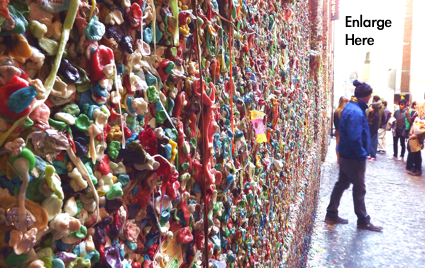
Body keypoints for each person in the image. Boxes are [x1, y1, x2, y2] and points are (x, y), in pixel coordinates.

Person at [325, 79, 383, 232]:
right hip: (353, 157)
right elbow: (354, 137)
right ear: (366, 96)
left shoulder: (351, 107)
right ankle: (363, 220)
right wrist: (362, 155)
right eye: (370, 96)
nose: (370, 98)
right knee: (359, 188)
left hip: (346, 154)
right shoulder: (356, 111)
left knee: (342, 184)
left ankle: (331, 214)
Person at [406, 101, 423, 175]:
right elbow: (412, 122)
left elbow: (422, 128)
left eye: (417, 105)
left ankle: (418, 169)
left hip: (418, 136)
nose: (416, 106)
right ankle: (415, 169)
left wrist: (416, 135)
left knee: (417, 152)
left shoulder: (422, 115)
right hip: (415, 134)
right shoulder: (418, 114)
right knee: (414, 152)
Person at [334, 97, 349, 162]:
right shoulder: (345, 111)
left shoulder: (336, 111)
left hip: (337, 130)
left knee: (337, 143)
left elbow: (334, 121)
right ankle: (342, 158)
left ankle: (338, 158)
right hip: (343, 131)